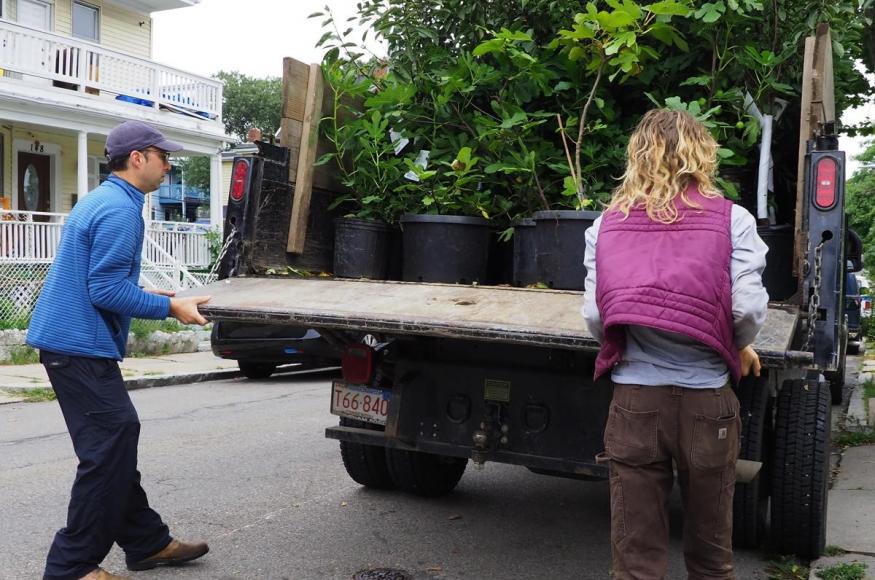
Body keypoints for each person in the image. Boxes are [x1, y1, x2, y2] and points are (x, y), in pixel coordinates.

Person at [582, 109, 769, 579]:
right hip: (707, 401)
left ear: (637, 155)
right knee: (711, 556)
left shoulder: (606, 225)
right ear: (702, 154)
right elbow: (747, 311)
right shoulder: (733, 220)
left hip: (636, 400)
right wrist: (737, 345)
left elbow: (597, 316)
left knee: (636, 559)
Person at [27, 121, 213, 580]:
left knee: (113, 443)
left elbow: (100, 278)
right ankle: (71, 566)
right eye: (163, 157)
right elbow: (104, 289)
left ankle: (147, 542)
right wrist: (170, 307)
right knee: (110, 445)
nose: (168, 166)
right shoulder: (120, 211)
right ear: (137, 158)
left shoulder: (104, 199)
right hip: (77, 346)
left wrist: (149, 293)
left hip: (71, 342)